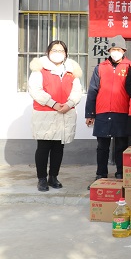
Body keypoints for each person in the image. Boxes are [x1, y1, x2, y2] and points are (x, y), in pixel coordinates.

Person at [28, 40, 83, 192]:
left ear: (66, 54)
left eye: (61, 51)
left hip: (65, 113)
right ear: (48, 52)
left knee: (59, 147)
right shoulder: (39, 69)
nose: (58, 53)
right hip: (45, 113)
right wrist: (53, 104)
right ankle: (41, 179)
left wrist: (69, 104)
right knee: (43, 147)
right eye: (54, 50)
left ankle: (53, 177)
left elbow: (77, 91)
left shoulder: (72, 70)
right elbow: (35, 90)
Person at [85, 35, 130, 185]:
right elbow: (92, 90)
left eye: (119, 49)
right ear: (109, 50)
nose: (116, 52)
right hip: (102, 112)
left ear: (124, 51)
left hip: (122, 111)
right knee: (102, 146)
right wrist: (90, 113)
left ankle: (121, 173)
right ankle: (101, 173)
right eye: (113, 49)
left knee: (121, 145)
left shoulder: (130, 67)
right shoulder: (100, 68)